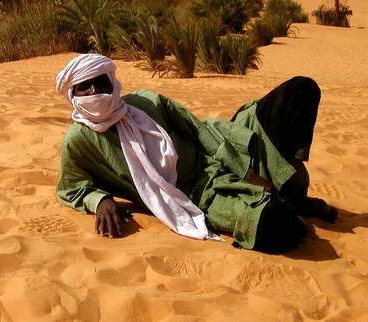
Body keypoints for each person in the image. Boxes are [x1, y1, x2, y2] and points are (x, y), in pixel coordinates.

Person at [55, 53, 338, 253]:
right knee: (278, 227)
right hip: (203, 196)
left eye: (101, 82)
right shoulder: (79, 140)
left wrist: (246, 171)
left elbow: (199, 131)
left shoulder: (146, 102)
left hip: (228, 148)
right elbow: (72, 186)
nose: (96, 91)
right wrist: (100, 200)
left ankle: (289, 183)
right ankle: (286, 199)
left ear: (112, 81)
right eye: (85, 87)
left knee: (300, 90)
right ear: (73, 95)